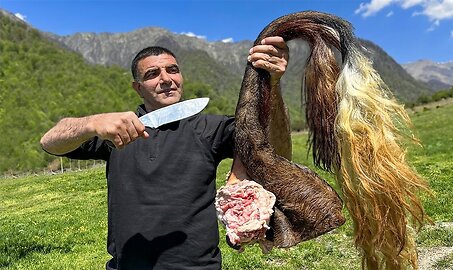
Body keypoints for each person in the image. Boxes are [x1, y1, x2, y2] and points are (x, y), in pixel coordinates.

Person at [40, 36, 289, 270]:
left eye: (173, 70)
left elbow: (276, 152)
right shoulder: (118, 130)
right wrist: (91, 123)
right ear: (138, 88)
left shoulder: (211, 128)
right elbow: (50, 142)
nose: (166, 78)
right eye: (152, 74)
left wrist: (273, 85)